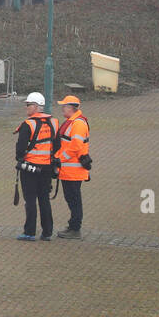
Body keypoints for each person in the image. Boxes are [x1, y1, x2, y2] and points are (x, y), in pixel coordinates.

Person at [13, 91, 59, 241]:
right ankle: (47, 232)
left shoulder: (28, 124)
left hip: (30, 168)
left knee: (30, 200)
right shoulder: (54, 122)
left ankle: (29, 232)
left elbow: (20, 149)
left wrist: (21, 158)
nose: (26, 108)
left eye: (29, 105)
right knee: (44, 199)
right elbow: (57, 145)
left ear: (37, 106)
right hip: (47, 168)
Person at [54, 96, 90, 239]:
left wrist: (58, 159)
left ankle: (75, 228)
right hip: (69, 170)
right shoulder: (73, 122)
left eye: (64, 106)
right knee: (72, 199)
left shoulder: (78, 124)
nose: (62, 108)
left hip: (73, 171)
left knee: (74, 199)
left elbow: (75, 147)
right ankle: (73, 226)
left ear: (71, 107)